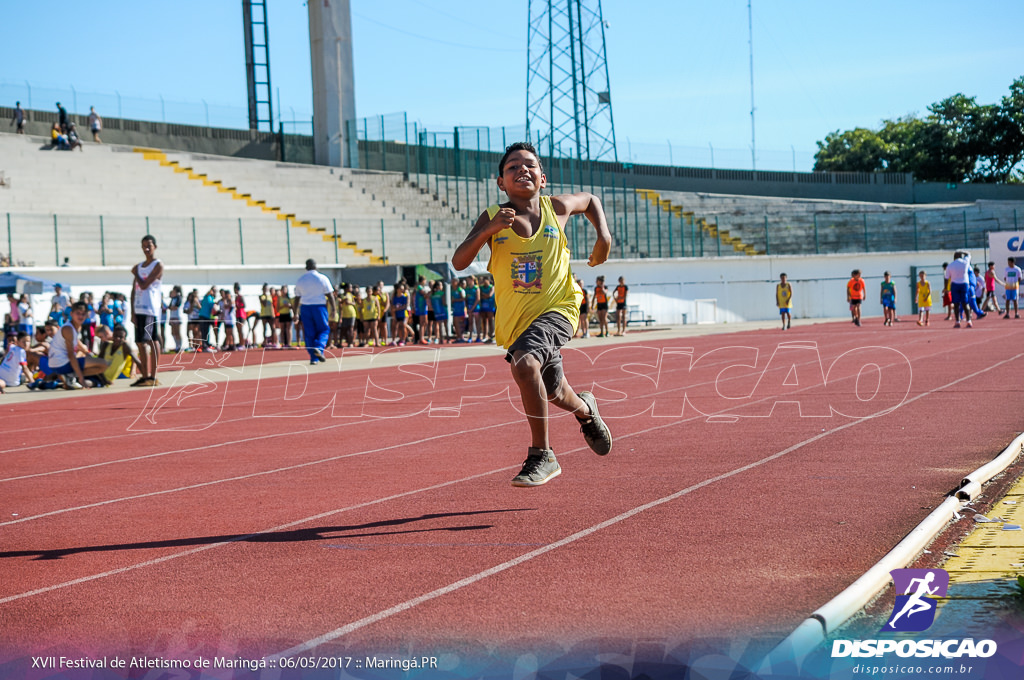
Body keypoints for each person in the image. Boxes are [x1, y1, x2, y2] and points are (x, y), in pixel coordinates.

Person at [451, 141, 613, 487]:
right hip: (517, 323)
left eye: (529, 166)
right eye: (512, 167)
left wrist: (603, 235)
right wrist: (488, 231)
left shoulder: (557, 208)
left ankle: (542, 454)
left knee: (525, 364)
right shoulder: (492, 217)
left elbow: (590, 200)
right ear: (500, 182)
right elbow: (459, 261)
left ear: (543, 177)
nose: (522, 170)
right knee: (553, 391)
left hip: (560, 307)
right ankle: (586, 411)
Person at [48, 301, 108, 390]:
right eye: (78, 313)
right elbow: (71, 355)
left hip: (56, 363)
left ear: (87, 315)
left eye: (83, 314)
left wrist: (87, 353)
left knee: (99, 365)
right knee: (103, 364)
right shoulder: (68, 329)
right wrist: (81, 378)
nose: (80, 316)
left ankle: (69, 377)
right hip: (61, 363)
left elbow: (78, 343)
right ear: (71, 314)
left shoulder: (76, 327)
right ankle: (72, 377)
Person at [130, 234, 164, 386]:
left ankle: (153, 375)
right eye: (144, 246)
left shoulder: (157, 265)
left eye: (149, 245)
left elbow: (145, 284)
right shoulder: (138, 266)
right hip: (138, 309)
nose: (146, 249)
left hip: (150, 308)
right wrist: (132, 311)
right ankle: (144, 376)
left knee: (151, 340)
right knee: (140, 342)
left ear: (155, 247)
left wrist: (135, 273)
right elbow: (135, 289)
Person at [295, 259, 336, 364]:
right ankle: (319, 347)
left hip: (305, 307)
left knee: (309, 333)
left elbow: (297, 298)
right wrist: (334, 309)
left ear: (306, 267)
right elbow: (330, 295)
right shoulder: (322, 278)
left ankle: (314, 358)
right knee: (324, 329)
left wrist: (295, 312)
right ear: (315, 266)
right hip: (319, 307)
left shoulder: (301, 279)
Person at [945, 251, 972, 328]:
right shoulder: (965, 262)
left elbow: (946, 278)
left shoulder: (950, 265)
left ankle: (957, 321)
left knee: (956, 304)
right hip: (964, 284)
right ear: (961, 256)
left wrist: (946, 288)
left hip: (955, 285)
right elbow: (969, 254)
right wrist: (962, 251)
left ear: (954, 257)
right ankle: (969, 321)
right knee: (965, 303)